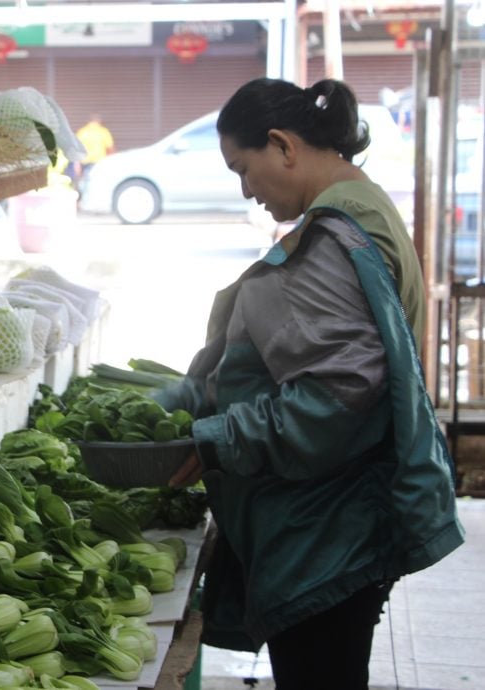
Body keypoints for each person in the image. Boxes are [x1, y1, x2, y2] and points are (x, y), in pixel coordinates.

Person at [152, 77, 465, 689]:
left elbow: (335, 397)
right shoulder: (363, 207)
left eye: (244, 168)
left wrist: (214, 437)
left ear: (282, 145)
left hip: (328, 531)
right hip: (343, 520)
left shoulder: (334, 234)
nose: (247, 191)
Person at [71, 113, 115, 188]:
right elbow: (110, 149)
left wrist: (77, 165)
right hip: (99, 163)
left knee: (85, 183)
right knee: (99, 183)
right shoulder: (103, 132)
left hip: (85, 163)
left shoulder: (82, 132)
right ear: (99, 122)